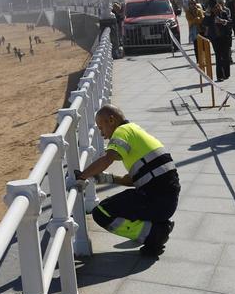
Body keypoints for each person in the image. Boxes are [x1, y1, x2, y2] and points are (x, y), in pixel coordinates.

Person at [74, 105, 178, 255]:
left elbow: (107, 159)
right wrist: (107, 178)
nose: (102, 134)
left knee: (101, 212)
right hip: (165, 200)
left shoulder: (121, 131)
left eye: (101, 127)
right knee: (122, 202)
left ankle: (155, 233)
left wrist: (82, 176)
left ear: (111, 120)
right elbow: (131, 181)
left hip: (156, 199)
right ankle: (157, 225)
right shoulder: (134, 130)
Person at [206, 0, 233, 81]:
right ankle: (220, 76)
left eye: (216, 7)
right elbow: (204, 23)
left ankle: (226, 74)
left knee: (226, 56)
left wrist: (223, 21)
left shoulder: (223, 13)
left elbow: (230, 22)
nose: (215, 9)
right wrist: (209, 15)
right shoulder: (209, 15)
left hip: (225, 37)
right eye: (213, 8)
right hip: (215, 39)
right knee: (218, 56)